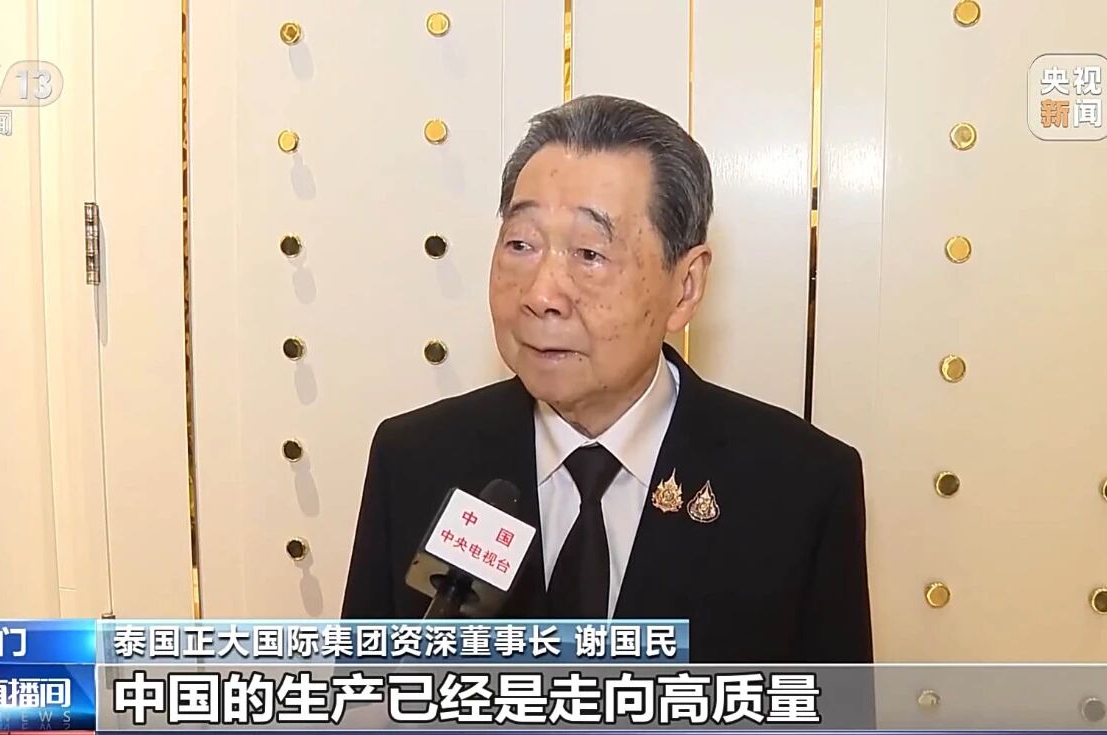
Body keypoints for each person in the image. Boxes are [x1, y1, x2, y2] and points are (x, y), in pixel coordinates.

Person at [341, 94, 872, 663]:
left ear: (685, 287)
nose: (541, 294)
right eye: (521, 244)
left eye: (590, 253)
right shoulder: (414, 459)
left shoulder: (801, 488)